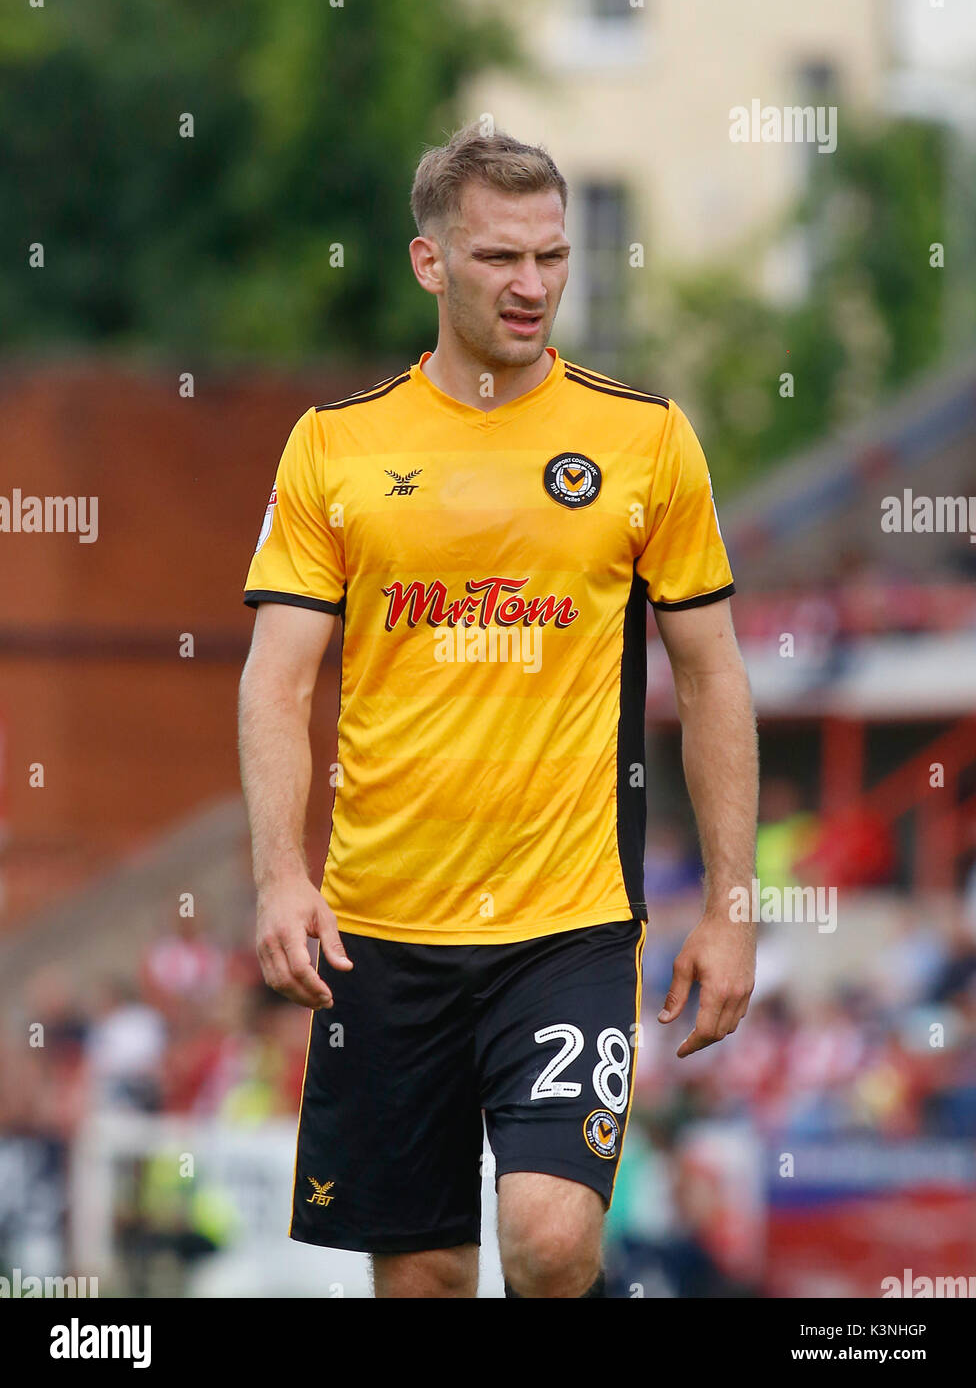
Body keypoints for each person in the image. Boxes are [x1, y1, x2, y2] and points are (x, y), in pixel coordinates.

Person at [238, 124, 758, 1299]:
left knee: (552, 1238)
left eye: (553, 257)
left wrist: (733, 905)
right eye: (498, 259)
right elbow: (277, 678)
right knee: (423, 1273)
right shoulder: (335, 449)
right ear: (430, 263)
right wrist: (280, 874)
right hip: (377, 929)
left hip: (567, 923)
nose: (532, 286)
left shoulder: (645, 441)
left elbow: (714, 673)